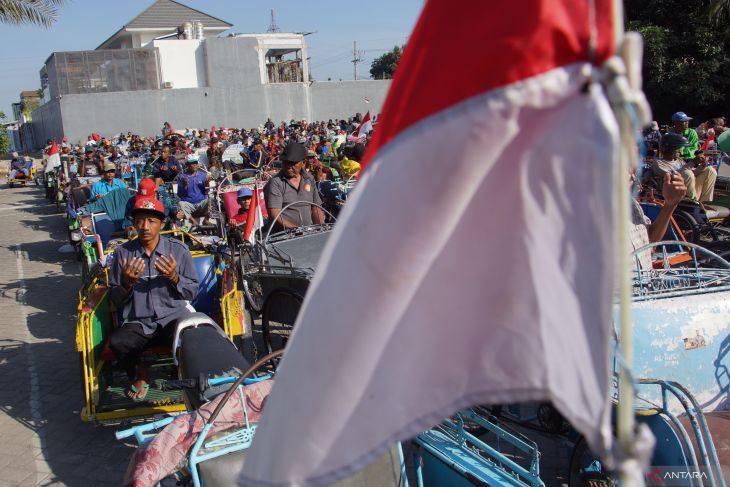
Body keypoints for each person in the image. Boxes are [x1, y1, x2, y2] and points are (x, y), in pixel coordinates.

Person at [108, 197, 199, 400]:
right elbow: (115, 299)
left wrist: (174, 277)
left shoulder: (178, 250)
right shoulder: (123, 254)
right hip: (140, 321)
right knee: (118, 342)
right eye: (140, 220)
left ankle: (186, 373)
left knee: (195, 337)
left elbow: (192, 291)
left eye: (151, 221)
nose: (145, 227)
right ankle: (140, 373)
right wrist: (127, 284)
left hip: (174, 316)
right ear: (134, 223)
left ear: (162, 224)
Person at [630, 169, 687, 270]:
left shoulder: (632, 205)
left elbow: (650, 239)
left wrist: (670, 205)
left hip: (645, 282)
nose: (633, 178)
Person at [264, 142, 325, 229]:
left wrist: (321, 228)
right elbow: (274, 213)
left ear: (303, 163)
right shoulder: (276, 183)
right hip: (283, 236)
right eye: (285, 162)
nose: (288, 166)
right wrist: (296, 230)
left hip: (308, 233)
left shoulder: (309, 179)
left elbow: (316, 208)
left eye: (293, 163)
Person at [651, 133, 698, 200]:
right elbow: (671, 176)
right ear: (669, 149)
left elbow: (692, 174)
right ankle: (691, 200)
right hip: (672, 191)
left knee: (709, 170)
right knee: (687, 173)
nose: (680, 151)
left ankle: (702, 200)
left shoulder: (679, 160)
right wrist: (691, 163)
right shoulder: (658, 163)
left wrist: (702, 167)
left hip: (685, 186)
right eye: (678, 149)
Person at [177, 158, 209, 225]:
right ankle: (193, 221)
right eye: (192, 164)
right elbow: (180, 194)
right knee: (181, 203)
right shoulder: (182, 177)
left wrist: (206, 184)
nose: (194, 165)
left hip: (201, 203)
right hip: (189, 204)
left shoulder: (203, 175)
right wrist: (185, 185)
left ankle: (206, 220)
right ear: (188, 165)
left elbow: (206, 191)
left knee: (210, 200)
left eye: (196, 163)